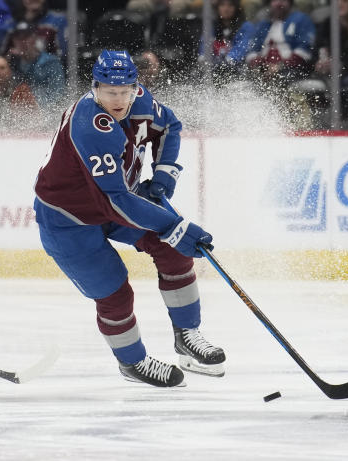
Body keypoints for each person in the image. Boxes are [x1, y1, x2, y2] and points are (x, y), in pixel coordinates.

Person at [33, 50, 224, 387]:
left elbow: (170, 126)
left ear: (136, 87)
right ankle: (132, 363)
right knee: (114, 292)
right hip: (68, 219)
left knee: (173, 250)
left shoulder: (140, 100)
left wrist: (164, 174)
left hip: (114, 201)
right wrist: (174, 226)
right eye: (109, 91)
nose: (118, 99)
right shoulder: (90, 125)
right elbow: (116, 200)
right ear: (95, 89)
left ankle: (187, 335)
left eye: (125, 91)